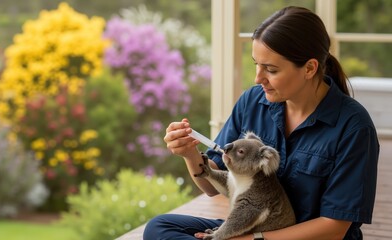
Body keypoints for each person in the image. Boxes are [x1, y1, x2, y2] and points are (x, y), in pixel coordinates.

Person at [143, 6, 379, 240]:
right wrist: (190, 154)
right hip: (253, 227)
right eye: (256, 64)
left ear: (309, 68)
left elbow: (333, 229)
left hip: (303, 237)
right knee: (160, 227)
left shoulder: (354, 127)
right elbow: (212, 185)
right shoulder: (252, 101)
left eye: (271, 69)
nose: (258, 78)